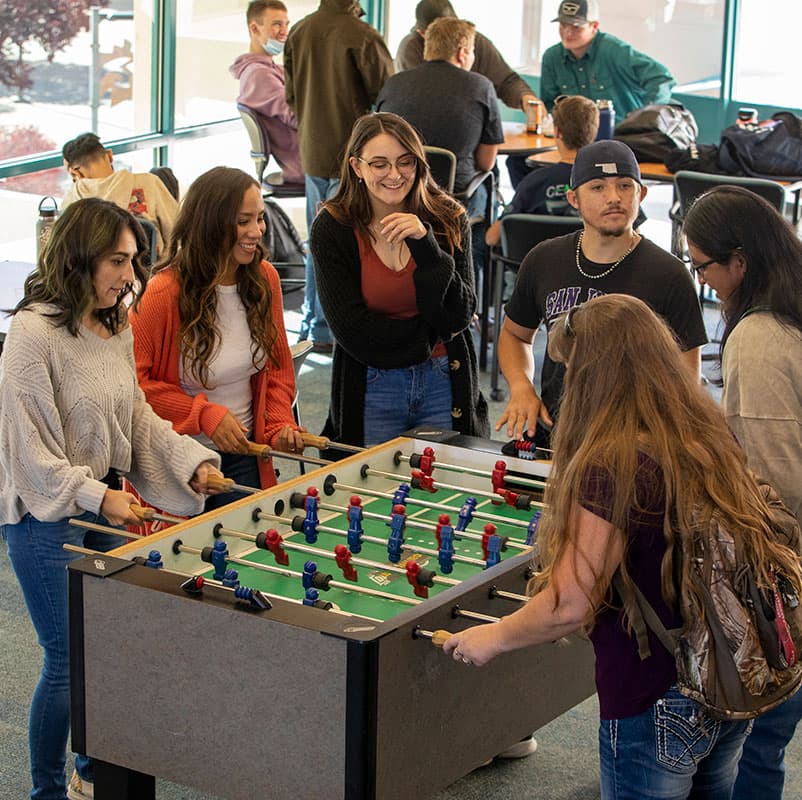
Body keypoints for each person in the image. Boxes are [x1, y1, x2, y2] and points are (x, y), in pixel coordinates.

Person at [442, 293, 791, 798]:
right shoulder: (705, 430)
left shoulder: (611, 467)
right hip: (728, 672)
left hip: (656, 697)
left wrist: (491, 638)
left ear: (592, 377)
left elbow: (568, 604)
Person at [0, 197, 223, 800]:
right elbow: (30, 458)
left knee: (109, 649)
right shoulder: (31, 332)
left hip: (100, 504)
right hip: (42, 517)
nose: (130, 275)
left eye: (133, 260)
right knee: (66, 660)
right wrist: (99, 497)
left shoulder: (113, 325)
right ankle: (44, 791)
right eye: (117, 260)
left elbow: (135, 414)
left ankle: (92, 772)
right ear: (79, 258)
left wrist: (191, 462)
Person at [683, 185, 802, 800]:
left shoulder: (758, 340)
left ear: (740, 261)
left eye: (701, 265)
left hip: (789, 565)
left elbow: (776, 482)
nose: (700, 280)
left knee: (758, 737)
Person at [497, 139, 705, 445]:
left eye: (624, 186)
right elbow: (515, 335)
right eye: (597, 187)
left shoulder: (670, 274)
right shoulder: (544, 259)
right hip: (558, 431)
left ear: (641, 194)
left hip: (633, 441)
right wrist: (520, 386)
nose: (613, 197)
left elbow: (687, 378)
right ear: (573, 198)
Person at [309, 111, 489, 449]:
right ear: (357, 167)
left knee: (448, 488)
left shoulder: (448, 219)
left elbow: (458, 315)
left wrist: (426, 248)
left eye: (405, 162)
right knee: (373, 490)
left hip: (443, 378)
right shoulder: (333, 228)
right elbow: (352, 332)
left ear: (419, 165)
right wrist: (428, 337)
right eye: (379, 164)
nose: (394, 174)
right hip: (372, 381)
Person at [130, 166, 303, 511]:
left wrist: (280, 422)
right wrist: (204, 414)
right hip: (181, 458)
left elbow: (278, 367)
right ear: (210, 223)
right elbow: (135, 389)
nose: (257, 231)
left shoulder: (264, 278)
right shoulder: (161, 294)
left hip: (245, 452)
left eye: (260, 218)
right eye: (243, 221)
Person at [284, 0, 394, 353]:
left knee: (319, 242)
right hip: (352, 158)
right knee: (348, 245)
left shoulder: (299, 31)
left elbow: (291, 95)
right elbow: (389, 99)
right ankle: (335, 328)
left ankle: (315, 326)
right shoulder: (362, 35)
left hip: (312, 153)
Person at [377, 17, 504, 282]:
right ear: (462, 52)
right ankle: (470, 283)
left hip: (397, 193)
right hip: (455, 198)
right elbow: (487, 162)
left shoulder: (394, 83)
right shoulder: (481, 86)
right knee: (490, 191)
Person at [486, 94, 599, 246]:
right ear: (594, 133)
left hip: (536, 267)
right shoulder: (609, 183)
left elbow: (492, 238)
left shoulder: (533, 183)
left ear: (557, 132)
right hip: (592, 267)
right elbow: (633, 237)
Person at [395, 0, 538, 113]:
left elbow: (506, 80)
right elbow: (417, 99)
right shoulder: (410, 49)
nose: (447, 38)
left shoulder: (474, 41)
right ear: (422, 33)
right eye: (437, 33)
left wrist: (525, 98)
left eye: (451, 29)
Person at [540, 0, 675, 117]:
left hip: (622, 138)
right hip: (576, 138)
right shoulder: (551, 57)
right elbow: (549, 105)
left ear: (594, 26)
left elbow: (661, 78)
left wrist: (644, 117)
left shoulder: (614, 51)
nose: (567, 33)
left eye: (576, 27)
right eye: (563, 25)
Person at [61, 132, 179, 253]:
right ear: (110, 155)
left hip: (92, 272)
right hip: (151, 270)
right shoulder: (148, 183)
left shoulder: (71, 202)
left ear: (75, 173)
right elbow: (177, 231)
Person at [229, 0, 304, 188]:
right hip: (307, 164)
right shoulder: (259, 75)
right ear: (254, 29)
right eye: (277, 24)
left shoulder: (270, 69)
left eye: (286, 24)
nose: (284, 31)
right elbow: (296, 116)